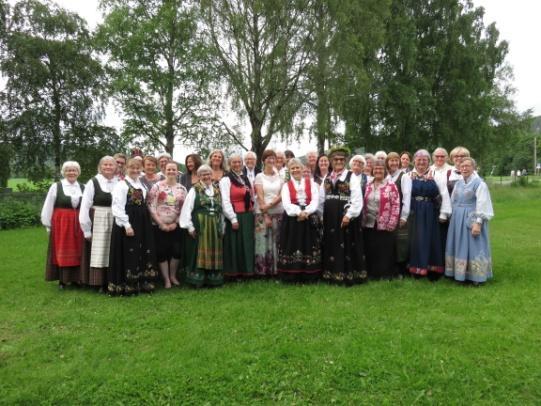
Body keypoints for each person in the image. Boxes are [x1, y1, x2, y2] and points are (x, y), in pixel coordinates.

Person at [108, 158, 157, 295]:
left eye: (137, 168)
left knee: (141, 251)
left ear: (141, 169)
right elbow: (117, 207)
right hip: (128, 222)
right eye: (132, 168)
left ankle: (141, 282)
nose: (135, 170)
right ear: (126, 169)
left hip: (142, 222)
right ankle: (127, 285)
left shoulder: (141, 184)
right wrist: (127, 225)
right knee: (129, 251)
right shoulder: (121, 185)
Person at [319, 146, 366, 285]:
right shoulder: (326, 178)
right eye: (335, 159)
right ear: (331, 161)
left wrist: (349, 215)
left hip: (346, 217)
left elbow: (357, 199)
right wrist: (321, 215)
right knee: (331, 244)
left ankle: (347, 275)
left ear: (345, 161)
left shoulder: (351, 177)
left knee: (346, 245)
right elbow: (322, 199)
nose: (338, 161)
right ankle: (331, 274)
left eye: (341, 159)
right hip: (330, 218)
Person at [445, 158, 494, 284]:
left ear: (473, 168)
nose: (465, 168)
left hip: (472, 218)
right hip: (457, 218)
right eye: (462, 166)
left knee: (475, 246)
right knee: (459, 245)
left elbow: (482, 203)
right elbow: (453, 200)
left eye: (467, 166)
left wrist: (478, 223)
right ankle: (460, 274)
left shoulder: (479, 184)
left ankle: (476, 277)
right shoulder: (458, 183)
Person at [407, 149, 451, 279]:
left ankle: (433, 270)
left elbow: (444, 194)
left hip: (431, 211)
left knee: (432, 239)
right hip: (415, 211)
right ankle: (417, 269)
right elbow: (405, 196)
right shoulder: (408, 176)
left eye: (424, 160)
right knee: (417, 240)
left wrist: (444, 213)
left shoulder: (435, 174)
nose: (421, 162)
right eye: (419, 159)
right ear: (414, 161)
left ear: (428, 161)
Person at [41, 161, 85, 289]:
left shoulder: (84, 187)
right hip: (62, 223)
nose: (71, 172)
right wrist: (47, 224)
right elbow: (48, 205)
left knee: (79, 250)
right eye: (68, 170)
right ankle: (63, 280)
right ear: (64, 172)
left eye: (74, 170)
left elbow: (87, 205)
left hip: (79, 223)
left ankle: (77, 278)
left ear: (78, 172)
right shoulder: (56, 186)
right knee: (62, 250)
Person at [179, 165, 224, 287]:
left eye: (208, 174)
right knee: (199, 251)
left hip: (214, 224)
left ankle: (213, 279)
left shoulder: (216, 190)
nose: (206, 176)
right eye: (203, 174)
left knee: (213, 249)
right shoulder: (195, 190)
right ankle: (197, 279)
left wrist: (222, 225)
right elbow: (187, 209)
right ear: (199, 176)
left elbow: (221, 209)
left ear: (212, 175)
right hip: (200, 224)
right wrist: (190, 226)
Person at [277, 158, 321, 282]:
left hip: (308, 217)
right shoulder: (286, 185)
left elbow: (315, 200)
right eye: (293, 168)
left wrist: (306, 211)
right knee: (292, 244)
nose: (295, 170)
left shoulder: (311, 183)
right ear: (289, 170)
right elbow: (286, 204)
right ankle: (291, 274)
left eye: (297, 167)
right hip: (292, 219)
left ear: (302, 169)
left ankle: (310, 274)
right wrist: (298, 212)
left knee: (308, 244)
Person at [79, 156, 118, 290]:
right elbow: (85, 205)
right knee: (99, 250)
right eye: (105, 165)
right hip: (98, 217)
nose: (108, 167)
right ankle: (98, 282)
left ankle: (111, 279)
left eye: (111, 165)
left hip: (114, 218)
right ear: (100, 167)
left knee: (112, 249)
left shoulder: (119, 182)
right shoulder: (93, 182)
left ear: (115, 167)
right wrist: (86, 229)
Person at [148, 162, 187, 289]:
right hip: (159, 225)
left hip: (176, 226)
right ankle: (166, 280)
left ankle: (173, 276)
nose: (171, 171)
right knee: (161, 252)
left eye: (173, 169)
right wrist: (161, 223)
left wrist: (175, 223)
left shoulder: (182, 189)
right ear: (164, 171)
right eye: (168, 169)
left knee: (177, 251)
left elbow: (184, 208)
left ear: (177, 172)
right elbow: (151, 206)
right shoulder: (157, 187)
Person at [362, 159, 400, 280]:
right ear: (373, 170)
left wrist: (392, 222)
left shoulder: (391, 185)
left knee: (385, 250)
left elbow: (396, 204)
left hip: (385, 222)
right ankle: (372, 273)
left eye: (381, 169)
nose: (378, 171)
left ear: (385, 171)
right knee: (371, 248)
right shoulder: (367, 185)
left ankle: (386, 274)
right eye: (376, 168)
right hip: (368, 222)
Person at [220, 154, 255, 280]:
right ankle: (233, 273)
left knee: (246, 243)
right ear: (230, 164)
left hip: (247, 215)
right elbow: (225, 200)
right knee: (234, 245)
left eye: (239, 162)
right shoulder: (226, 179)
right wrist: (232, 218)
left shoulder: (245, 178)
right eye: (234, 162)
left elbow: (251, 197)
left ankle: (247, 271)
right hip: (235, 215)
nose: (237, 164)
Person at [254, 150, 283, 277]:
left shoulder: (280, 177)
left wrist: (270, 205)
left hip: (278, 212)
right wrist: (265, 214)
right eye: (268, 158)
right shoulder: (259, 177)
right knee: (262, 241)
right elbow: (260, 197)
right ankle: (262, 270)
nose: (271, 161)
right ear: (263, 160)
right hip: (262, 214)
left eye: (273, 158)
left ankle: (276, 270)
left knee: (276, 241)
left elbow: (281, 195)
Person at [386, 152, 412, 275]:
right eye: (391, 160)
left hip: (400, 213)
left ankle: (401, 270)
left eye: (396, 160)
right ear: (387, 162)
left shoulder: (404, 176)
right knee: (389, 241)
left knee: (401, 242)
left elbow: (407, 197)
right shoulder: (386, 176)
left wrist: (404, 216)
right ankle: (390, 268)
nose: (394, 163)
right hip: (386, 215)